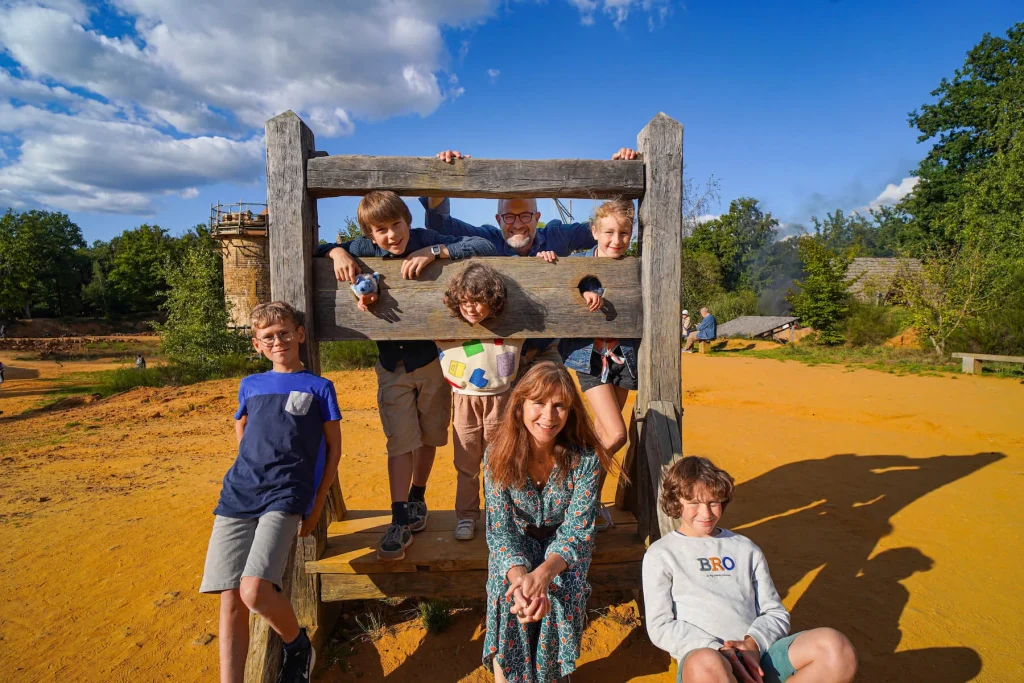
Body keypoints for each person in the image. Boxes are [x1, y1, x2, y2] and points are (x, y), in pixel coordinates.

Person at [316, 190, 496, 560]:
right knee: (400, 441)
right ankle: (399, 517)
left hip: (433, 363)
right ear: (368, 233)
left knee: (430, 435)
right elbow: (317, 248)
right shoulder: (361, 246)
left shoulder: (426, 239)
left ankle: (418, 496)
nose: (391, 236)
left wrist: (434, 253)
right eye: (380, 231)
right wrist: (337, 252)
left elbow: (483, 243)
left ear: (408, 221)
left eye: (397, 225)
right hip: (391, 365)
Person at [199, 301, 343, 683]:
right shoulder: (250, 385)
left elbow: (334, 451)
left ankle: (298, 646)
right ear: (257, 344)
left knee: (255, 590)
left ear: (299, 334)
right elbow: (243, 432)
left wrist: (315, 506)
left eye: (283, 332)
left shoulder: (320, 387)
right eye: (267, 336)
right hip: (238, 494)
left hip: (287, 495)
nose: (277, 341)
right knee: (230, 598)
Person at [643, 456, 858, 683]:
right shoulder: (661, 554)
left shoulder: (745, 548)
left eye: (713, 502)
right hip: (706, 661)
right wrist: (716, 649)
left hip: (759, 658)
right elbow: (661, 625)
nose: (706, 513)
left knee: (836, 648)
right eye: (695, 503)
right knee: (706, 663)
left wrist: (753, 644)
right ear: (676, 501)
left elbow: (774, 612)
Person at [424, 147, 640, 372]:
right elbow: (440, 224)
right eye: (509, 217)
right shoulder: (487, 238)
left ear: (537, 217)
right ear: (498, 219)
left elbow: (607, 228)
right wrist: (443, 174)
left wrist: (621, 181)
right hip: (501, 346)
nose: (517, 224)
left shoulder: (557, 235)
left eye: (525, 216)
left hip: (546, 346)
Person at [483, 361, 619, 683]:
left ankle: (553, 674)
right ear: (520, 405)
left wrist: (544, 574)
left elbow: (576, 531)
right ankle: (510, 677)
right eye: (539, 403)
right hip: (518, 540)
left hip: (565, 548)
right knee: (507, 591)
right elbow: (500, 529)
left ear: (571, 411)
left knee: (563, 587)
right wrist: (520, 579)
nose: (549, 415)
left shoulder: (586, 459)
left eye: (559, 405)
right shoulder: (496, 455)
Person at [558, 199, 639, 532]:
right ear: (594, 231)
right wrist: (583, 290)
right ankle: (573, 495)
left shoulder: (635, 267)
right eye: (608, 232)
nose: (616, 240)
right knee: (617, 434)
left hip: (623, 359)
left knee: (605, 434)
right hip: (590, 358)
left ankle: (588, 506)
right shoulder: (577, 264)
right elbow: (562, 286)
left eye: (624, 232)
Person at [438, 262, 522, 541]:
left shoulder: (513, 322)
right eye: (465, 302)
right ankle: (466, 515)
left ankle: (501, 516)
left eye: (479, 302)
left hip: (500, 398)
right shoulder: (447, 325)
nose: (471, 308)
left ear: (494, 301)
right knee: (466, 463)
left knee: (500, 461)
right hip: (463, 399)